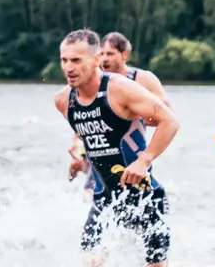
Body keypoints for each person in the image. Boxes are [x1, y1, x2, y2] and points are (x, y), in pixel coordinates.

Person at [55, 29, 179, 267]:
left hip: (145, 195)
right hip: (104, 197)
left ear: (97, 58)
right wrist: (79, 152)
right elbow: (90, 130)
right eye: (64, 60)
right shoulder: (63, 100)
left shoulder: (122, 88)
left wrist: (144, 160)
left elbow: (170, 120)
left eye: (76, 60)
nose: (68, 67)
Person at [68, 32, 170, 184]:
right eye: (101, 54)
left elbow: (169, 115)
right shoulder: (95, 82)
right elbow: (84, 115)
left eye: (110, 54)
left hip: (130, 146)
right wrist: (76, 142)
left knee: (132, 188)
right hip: (99, 147)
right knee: (92, 193)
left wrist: (130, 115)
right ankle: (82, 167)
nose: (104, 59)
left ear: (124, 54)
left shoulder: (143, 79)